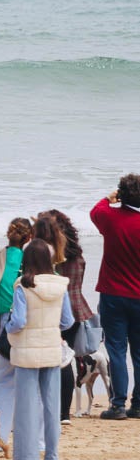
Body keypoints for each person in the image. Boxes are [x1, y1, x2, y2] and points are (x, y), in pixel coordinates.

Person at [7, 239, 73, 460]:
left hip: (27, 351)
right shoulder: (60, 285)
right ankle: (52, 457)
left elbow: (18, 322)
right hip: (52, 348)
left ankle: (26, 458)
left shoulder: (23, 285)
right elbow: (68, 321)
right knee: (52, 405)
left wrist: (7, 327)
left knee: (26, 404)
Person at [35, 210, 94, 422]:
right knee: (65, 359)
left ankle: (52, 409)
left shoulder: (50, 256)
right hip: (77, 310)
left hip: (55, 311)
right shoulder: (78, 256)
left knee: (50, 361)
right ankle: (63, 413)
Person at [90, 174, 140, 420]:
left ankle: (118, 404)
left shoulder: (110, 217)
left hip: (113, 294)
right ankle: (139, 404)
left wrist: (108, 198)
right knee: (139, 352)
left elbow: (95, 211)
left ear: (121, 195)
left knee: (116, 350)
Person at [0, 217, 32, 439]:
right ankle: (32, 437)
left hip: (4, 320)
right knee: (29, 380)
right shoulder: (32, 260)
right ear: (28, 238)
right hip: (27, 320)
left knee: (2, 381)